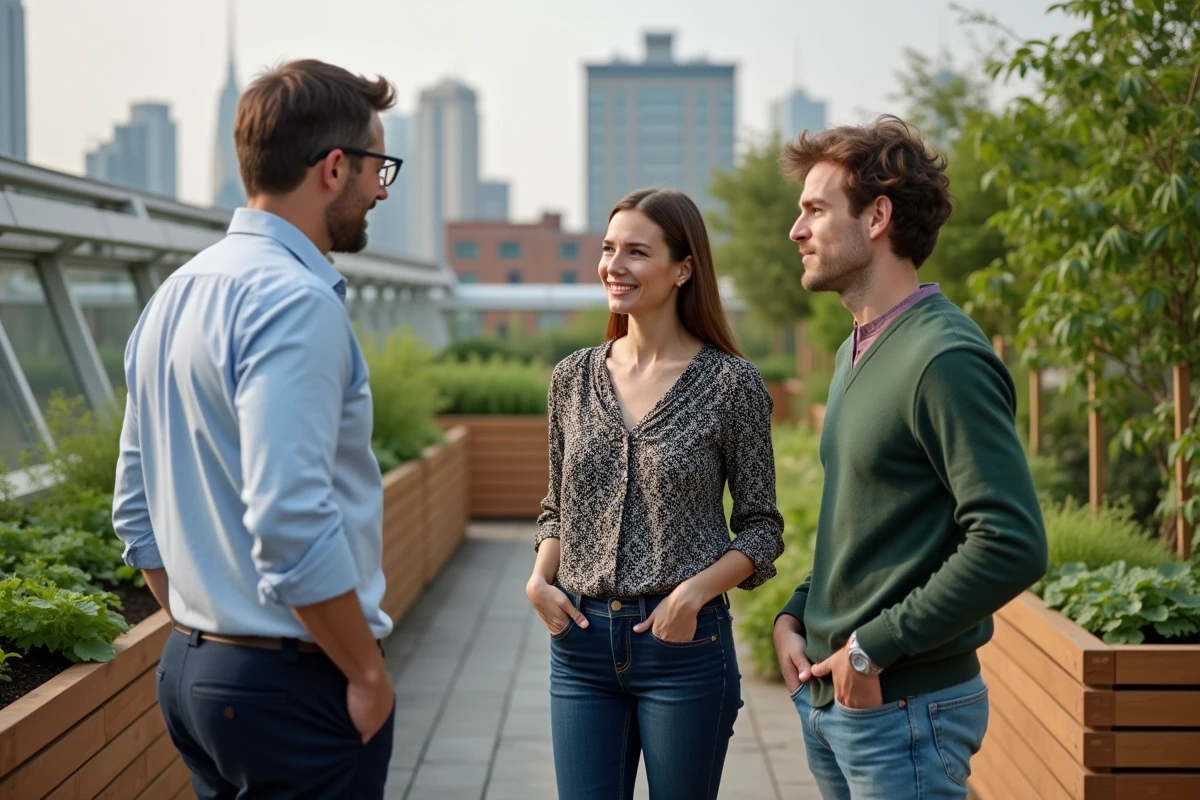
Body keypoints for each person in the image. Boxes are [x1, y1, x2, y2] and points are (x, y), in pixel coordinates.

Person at [112, 59, 406, 799]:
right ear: (334, 168)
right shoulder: (295, 301)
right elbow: (288, 517)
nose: (379, 190)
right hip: (290, 685)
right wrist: (366, 672)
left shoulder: (174, 295)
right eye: (377, 168)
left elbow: (135, 514)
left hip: (193, 671)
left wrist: (204, 629)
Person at [770, 116, 1047, 799]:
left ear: (877, 218)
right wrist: (797, 612)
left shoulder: (943, 358)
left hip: (903, 710)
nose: (795, 232)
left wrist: (873, 648)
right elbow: (866, 520)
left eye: (814, 210)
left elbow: (1012, 543)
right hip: (840, 701)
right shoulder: (856, 347)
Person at [526, 187, 785, 800]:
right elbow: (556, 508)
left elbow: (761, 527)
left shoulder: (732, 383)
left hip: (683, 645)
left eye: (637, 252)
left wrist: (692, 595)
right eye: (609, 248)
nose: (614, 266)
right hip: (581, 645)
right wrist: (540, 581)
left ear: (683, 268)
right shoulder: (572, 379)